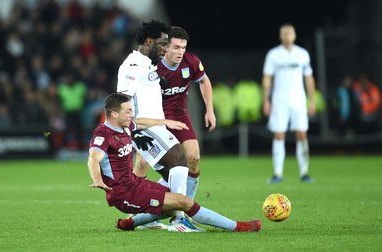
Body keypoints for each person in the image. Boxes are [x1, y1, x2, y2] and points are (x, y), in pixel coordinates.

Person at [87, 92, 262, 233]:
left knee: (172, 203)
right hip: (123, 194)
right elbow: (93, 158)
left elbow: (139, 123)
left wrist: (165, 122)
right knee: (183, 203)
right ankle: (239, 226)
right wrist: (97, 179)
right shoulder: (103, 134)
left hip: (135, 184)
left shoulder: (124, 125)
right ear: (114, 114)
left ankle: (129, 224)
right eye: (128, 111)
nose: (131, 115)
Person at [115, 19, 197, 231]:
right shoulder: (132, 65)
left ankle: (141, 217)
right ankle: (179, 220)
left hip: (154, 127)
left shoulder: (148, 64)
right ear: (149, 41)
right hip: (145, 128)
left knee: (171, 175)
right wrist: (128, 129)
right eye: (163, 44)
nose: (165, 49)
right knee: (180, 159)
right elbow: (123, 100)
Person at [133, 26, 216, 201]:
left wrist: (209, 110)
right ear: (166, 46)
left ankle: (187, 207)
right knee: (141, 163)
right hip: (155, 118)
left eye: (183, 47)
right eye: (176, 47)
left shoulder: (191, 62)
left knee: (193, 158)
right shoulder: (152, 66)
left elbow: (204, 81)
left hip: (179, 116)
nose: (181, 52)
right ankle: (135, 210)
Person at [261, 23, 316, 183]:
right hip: (279, 100)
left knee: (301, 134)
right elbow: (267, 78)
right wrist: (266, 100)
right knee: (278, 135)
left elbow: (309, 78)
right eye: (284, 33)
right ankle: (277, 173)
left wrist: (311, 100)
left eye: (290, 33)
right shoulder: (273, 54)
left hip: (298, 100)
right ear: (280, 36)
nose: (287, 35)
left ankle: (304, 172)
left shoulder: (302, 54)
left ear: (294, 35)